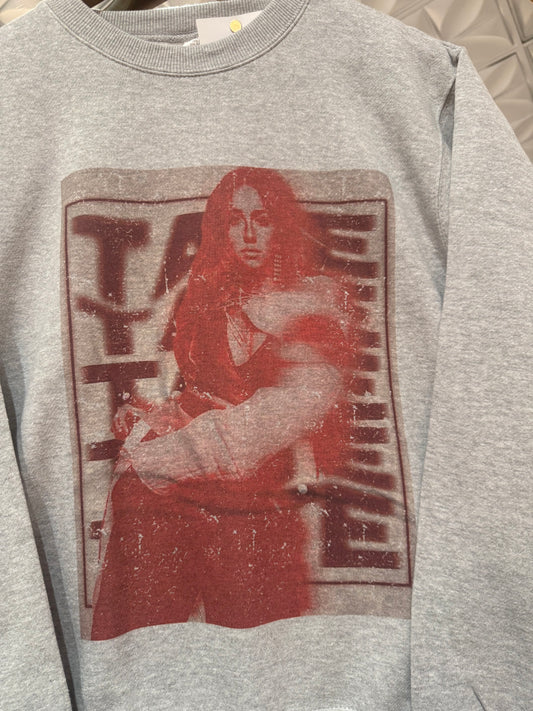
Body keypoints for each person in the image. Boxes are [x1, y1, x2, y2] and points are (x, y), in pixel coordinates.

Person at [90, 167, 354, 640]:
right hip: (176, 493)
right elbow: (199, 390)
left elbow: (284, 411)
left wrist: (163, 456)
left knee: (257, 651)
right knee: (142, 637)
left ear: (282, 224)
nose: (248, 234)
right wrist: (157, 416)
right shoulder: (211, 295)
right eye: (235, 220)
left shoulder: (317, 304)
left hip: (258, 503)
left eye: (263, 219)